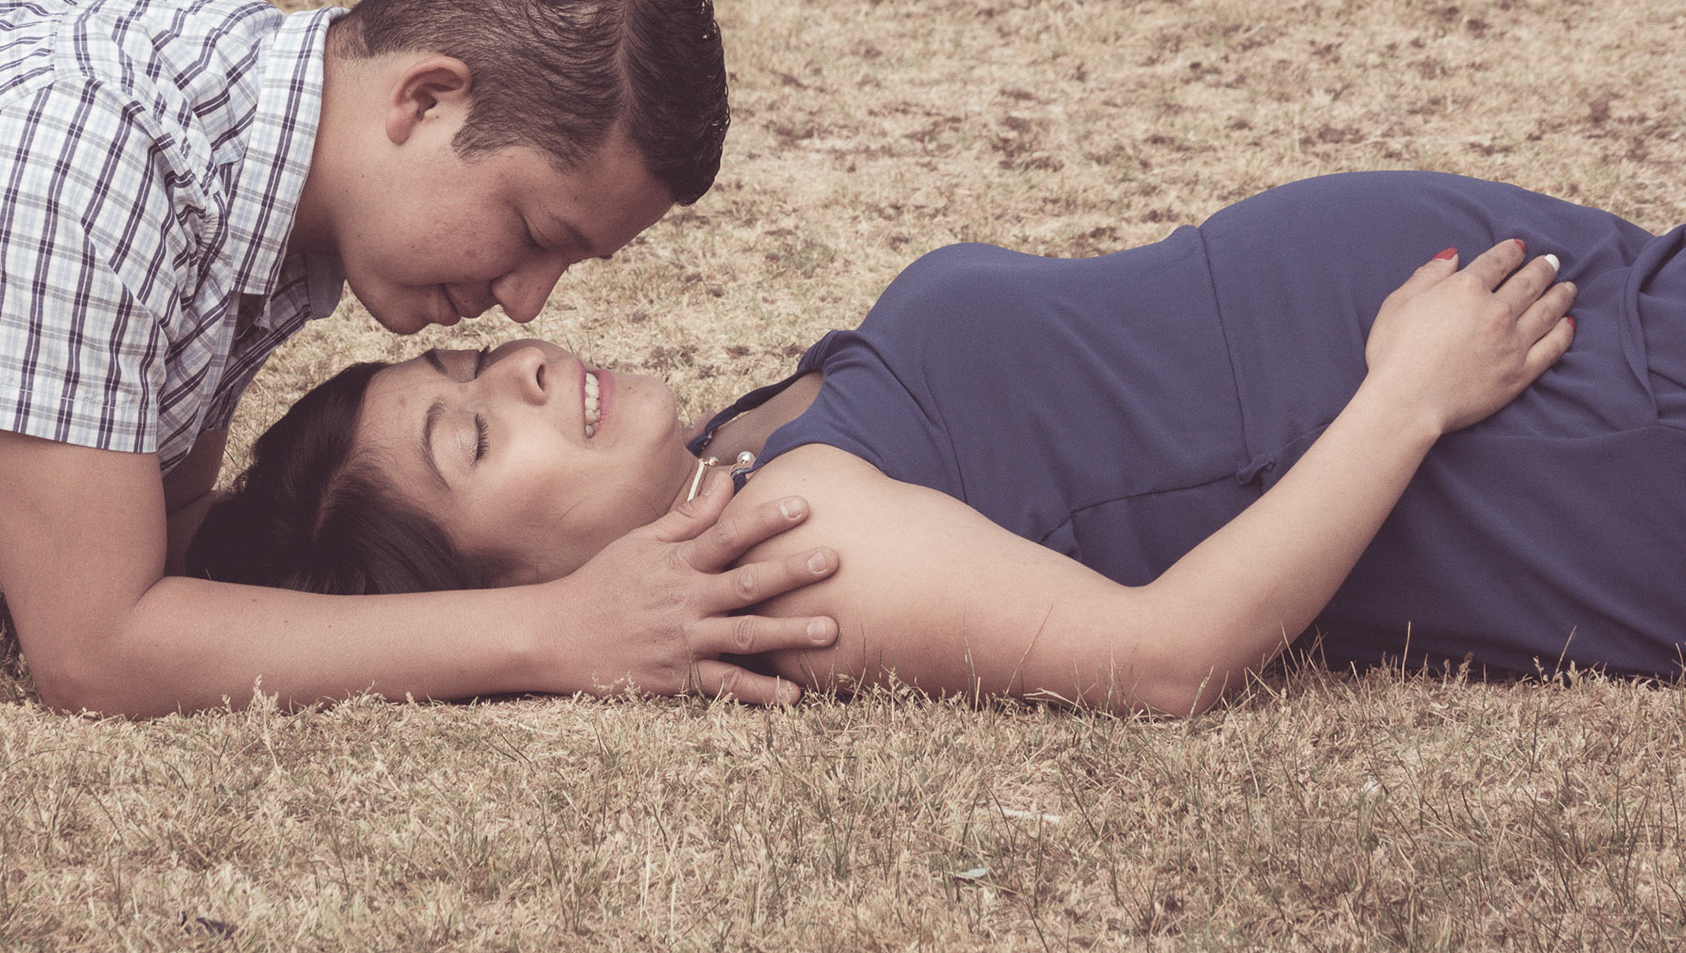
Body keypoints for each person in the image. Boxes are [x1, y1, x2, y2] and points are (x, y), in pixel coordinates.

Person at [0, 0, 843, 715]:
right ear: (426, 99)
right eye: (532, 233)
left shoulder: (257, 166)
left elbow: (172, 549)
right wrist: (559, 630)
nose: (525, 305)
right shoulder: (83, 161)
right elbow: (96, 651)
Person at [191, 170, 1686, 715]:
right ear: (500, 583)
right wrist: (1412, 392)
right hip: (1583, 443)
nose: (515, 362)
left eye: (468, 357)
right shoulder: (789, 553)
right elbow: (1159, 658)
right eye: (469, 438)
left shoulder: (735, 449)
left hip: (1603, 330)